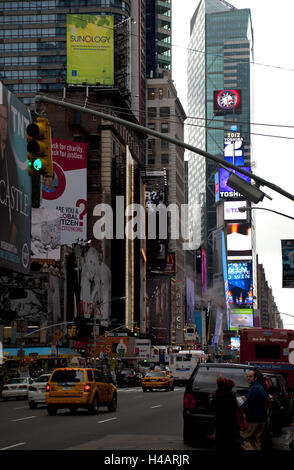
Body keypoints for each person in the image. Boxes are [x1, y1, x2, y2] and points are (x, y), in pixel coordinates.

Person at [239, 369, 267, 450]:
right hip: (261, 419)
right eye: (247, 376)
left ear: (256, 378)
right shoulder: (260, 387)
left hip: (253, 420)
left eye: (250, 376)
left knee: (245, 439)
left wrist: (238, 409)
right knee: (255, 441)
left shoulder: (254, 388)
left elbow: (247, 405)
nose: (248, 378)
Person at [213, 376, 239, 451]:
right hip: (231, 423)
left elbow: (213, 406)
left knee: (220, 444)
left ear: (217, 384)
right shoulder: (231, 395)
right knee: (229, 444)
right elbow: (235, 407)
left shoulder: (217, 395)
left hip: (220, 423)